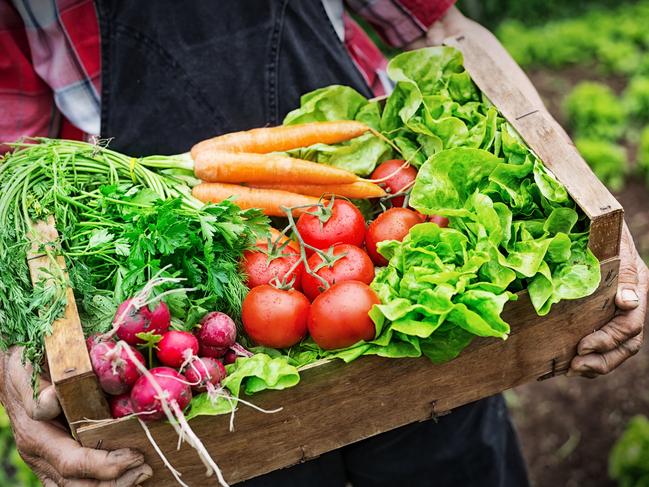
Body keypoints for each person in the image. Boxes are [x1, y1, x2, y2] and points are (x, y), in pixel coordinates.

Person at [1, 1, 646, 486]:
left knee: (452, 454)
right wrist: (14, 357)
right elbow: (11, 167)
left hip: (376, 211)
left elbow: (443, 32)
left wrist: (588, 197)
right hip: (161, 279)